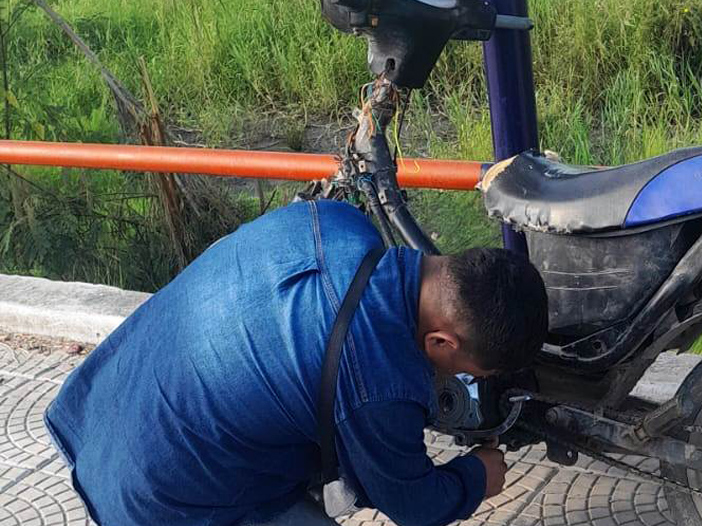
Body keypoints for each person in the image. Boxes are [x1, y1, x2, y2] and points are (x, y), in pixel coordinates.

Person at [44, 199, 549, 526]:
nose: (464, 380)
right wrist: (477, 476)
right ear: (440, 341)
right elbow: (414, 502)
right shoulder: (378, 383)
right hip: (159, 504)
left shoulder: (336, 218)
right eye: (471, 372)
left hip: (104, 415)